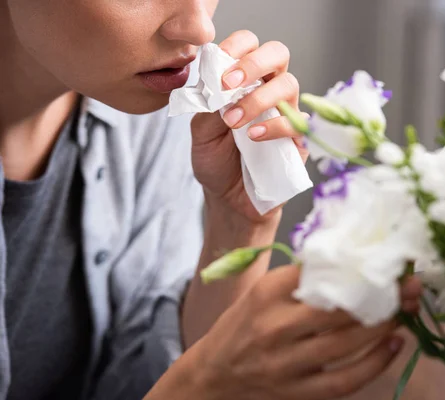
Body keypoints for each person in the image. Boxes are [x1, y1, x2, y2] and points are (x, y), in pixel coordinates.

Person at [0, 1, 423, 399]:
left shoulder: (150, 113)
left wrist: (241, 222)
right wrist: (199, 384)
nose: (201, 27)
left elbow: (137, 380)